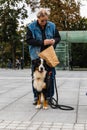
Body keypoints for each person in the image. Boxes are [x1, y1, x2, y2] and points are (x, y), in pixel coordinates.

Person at [26, 8, 61, 105]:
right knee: (36, 77)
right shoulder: (31, 27)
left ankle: (49, 97)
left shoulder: (52, 25)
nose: (44, 22)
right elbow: (28, 40)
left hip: (49, 55)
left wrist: (54, 40)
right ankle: (36, 97)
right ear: (38, 18)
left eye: (46, 20)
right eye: (42, 20)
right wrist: (42, 42)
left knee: (51, 76)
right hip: (36, 56)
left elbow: (58, 37)